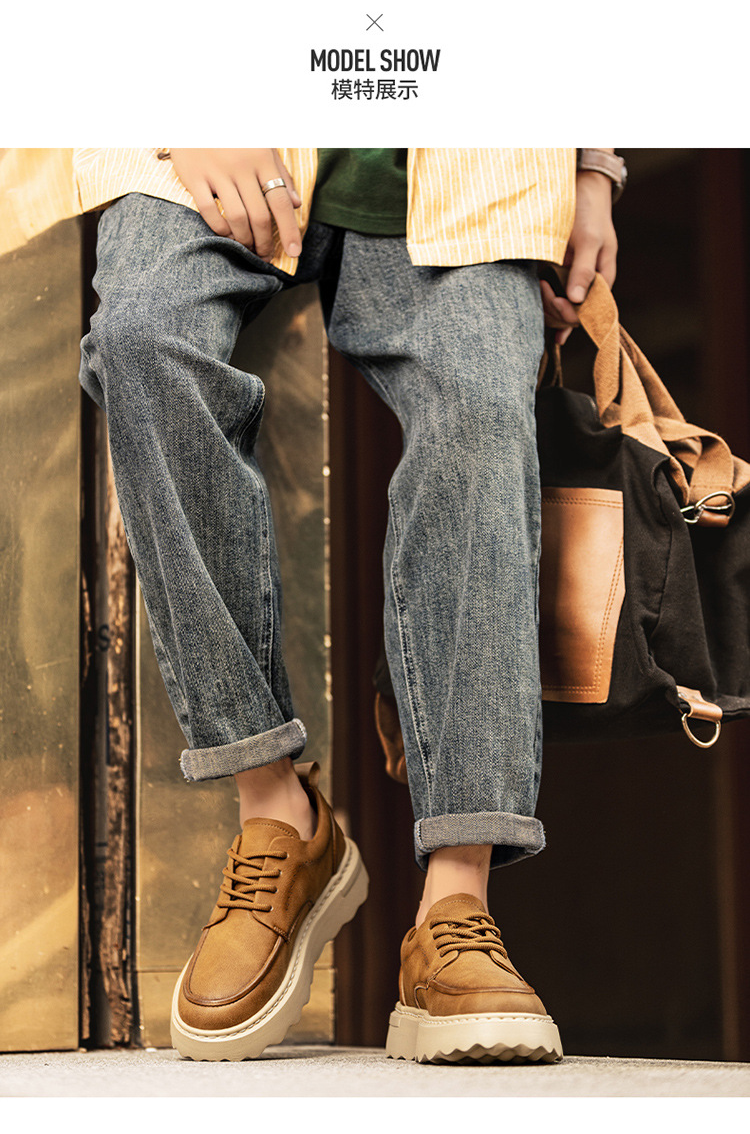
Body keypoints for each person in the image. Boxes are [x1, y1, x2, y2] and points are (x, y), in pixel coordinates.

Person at [77, 146, 620, 1064]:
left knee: (479, 411)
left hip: (467, 149)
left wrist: (596, 168)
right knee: (142, 336)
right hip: (218, 125)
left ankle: (456, 903)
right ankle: (278, 814)